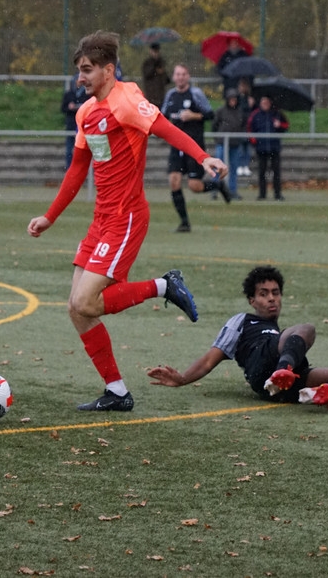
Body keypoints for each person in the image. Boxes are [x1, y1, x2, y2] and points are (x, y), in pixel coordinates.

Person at [26, 31, 228, 412]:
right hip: (101, 219)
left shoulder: (128, 100)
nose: (80, 78)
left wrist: (203, 158)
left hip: (127, 216)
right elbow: (77, 170)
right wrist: (50, 217)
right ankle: (117, 391)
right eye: (79, 70)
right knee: (76, 308)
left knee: (86, 301)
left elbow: (166, 128)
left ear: (108, 70)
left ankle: (163, 286)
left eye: (87, 70)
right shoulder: (86, 113)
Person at [147, 265, 328, 405]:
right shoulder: (243, 321)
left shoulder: (282, 336)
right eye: (263, 294)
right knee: (307, 328)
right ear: (252, 301)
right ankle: (281, 372)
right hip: (262, 369)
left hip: (286, 385)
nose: (271, 298)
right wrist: (183, 378)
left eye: (275, 293)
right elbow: (209, 360)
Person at [162, 63, 232, 232]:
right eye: (178, 74)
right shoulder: (170, 95)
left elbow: (210, 114)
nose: (180, 77)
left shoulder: (196, 93)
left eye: (183, 74)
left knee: (194, 186)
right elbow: (162, 116)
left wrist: (193, 115)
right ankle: (184, 222)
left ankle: (218, 186)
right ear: (174, 77)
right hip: (176, 146)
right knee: (174, 181)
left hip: (194, 146)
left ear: (188, 76)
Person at [247, 94, 288, 200]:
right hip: (261, 148)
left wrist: (279, 125)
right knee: (262, 172)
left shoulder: (277, 114)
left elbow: (286, 126)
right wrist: (254, 141)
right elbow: (249, 129)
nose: (265, 104)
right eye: (263, 102)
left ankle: (277, 194)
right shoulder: (255, 114)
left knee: (276, 172)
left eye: (267, 102)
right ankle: (262, 194)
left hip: (274, 147)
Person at [212, 88, 245, 199]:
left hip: (235, 144)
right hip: (222, 143)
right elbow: (215, 125)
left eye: (234, 99)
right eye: (231, 99)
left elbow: (243, 125)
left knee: (233, 168)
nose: (232, 101)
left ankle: (232, 191)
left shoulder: (240, 112)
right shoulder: (221, 111)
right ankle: (214, 189)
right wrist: (218, 138)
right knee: (218, 167)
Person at [60, 75, 87, 170]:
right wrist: (69, 107)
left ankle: (81, 169)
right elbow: (63, 108)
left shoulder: (86, 94)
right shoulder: (69, 94)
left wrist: (81, 107)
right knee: (69, 150)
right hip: (71, 125)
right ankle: (69, 168)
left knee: (82, 150)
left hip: (82, 126)